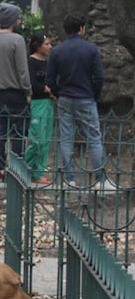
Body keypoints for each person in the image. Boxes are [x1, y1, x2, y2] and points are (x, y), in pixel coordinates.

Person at [46, 13, 107, 187]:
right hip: (86, 97)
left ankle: (70, 178)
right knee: (94, 138)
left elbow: (50, 80)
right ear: (81, 29)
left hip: (65, 97)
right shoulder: (91, 49)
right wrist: (94, 95)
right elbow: (99, 77)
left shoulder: (57, 51)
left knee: (66, 138)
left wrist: (58, 93)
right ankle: (100, 180)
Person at [0, 3, 30, 182]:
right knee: (18, 133)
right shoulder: (17, 40)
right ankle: (16, 171)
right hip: (16, 92)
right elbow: (22, 69)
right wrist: (27, 90)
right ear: (13, 20)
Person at [24, 31, 54, 185]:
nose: (50, 47)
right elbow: (32, 84)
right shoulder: (31, 62)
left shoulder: (48, 62)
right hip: (37, 102)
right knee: (37, 139)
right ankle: (25, 168)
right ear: (38, 46)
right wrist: (45, 88)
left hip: (48, 103)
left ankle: (38, 172)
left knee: (46, 139)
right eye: (47, 44)